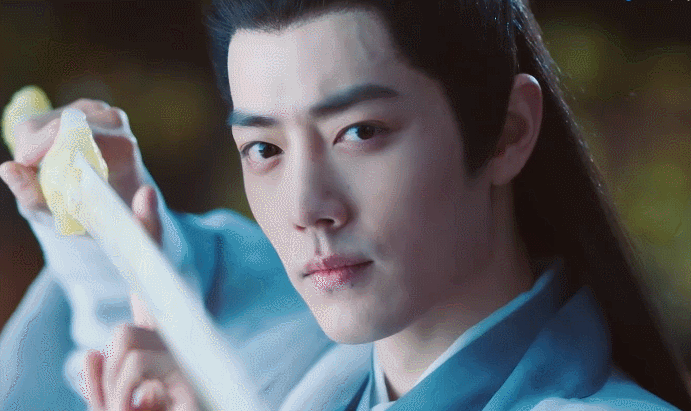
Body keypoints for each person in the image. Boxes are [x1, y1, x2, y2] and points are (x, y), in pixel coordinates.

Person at [1, 0, 690, 410]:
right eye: (263, 148)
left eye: (361, 132)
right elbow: (179, 304)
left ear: (507, 131)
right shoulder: (299, 357)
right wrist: (98, 208)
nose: (307, 207)